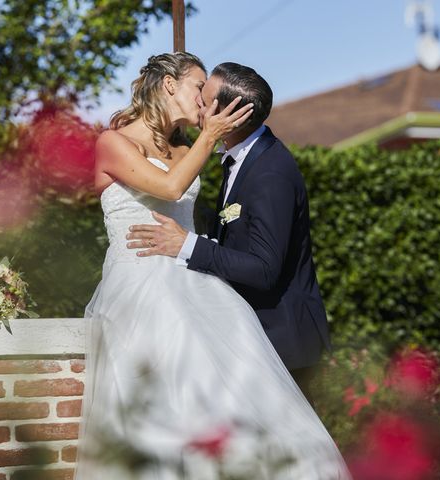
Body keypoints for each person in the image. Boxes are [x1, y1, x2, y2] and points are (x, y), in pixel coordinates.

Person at [76, 52, 350, 480]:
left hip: (193, 277)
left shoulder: (188, 147)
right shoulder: (114, 143)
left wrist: (203, 141)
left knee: (228, 398)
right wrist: (212, 135)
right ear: (169, 85)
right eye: (196, 88)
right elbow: (170, 185)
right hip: (140, 283)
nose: (203, 103)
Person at [126, 62, 331, 400]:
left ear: (230, 112)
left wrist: (186, 244)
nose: (198, 106)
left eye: (204, 101)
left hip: (284, 343)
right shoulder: (241, 159)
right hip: (256, 338)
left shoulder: (270, 171)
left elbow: (264, 269)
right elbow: (238, 237)